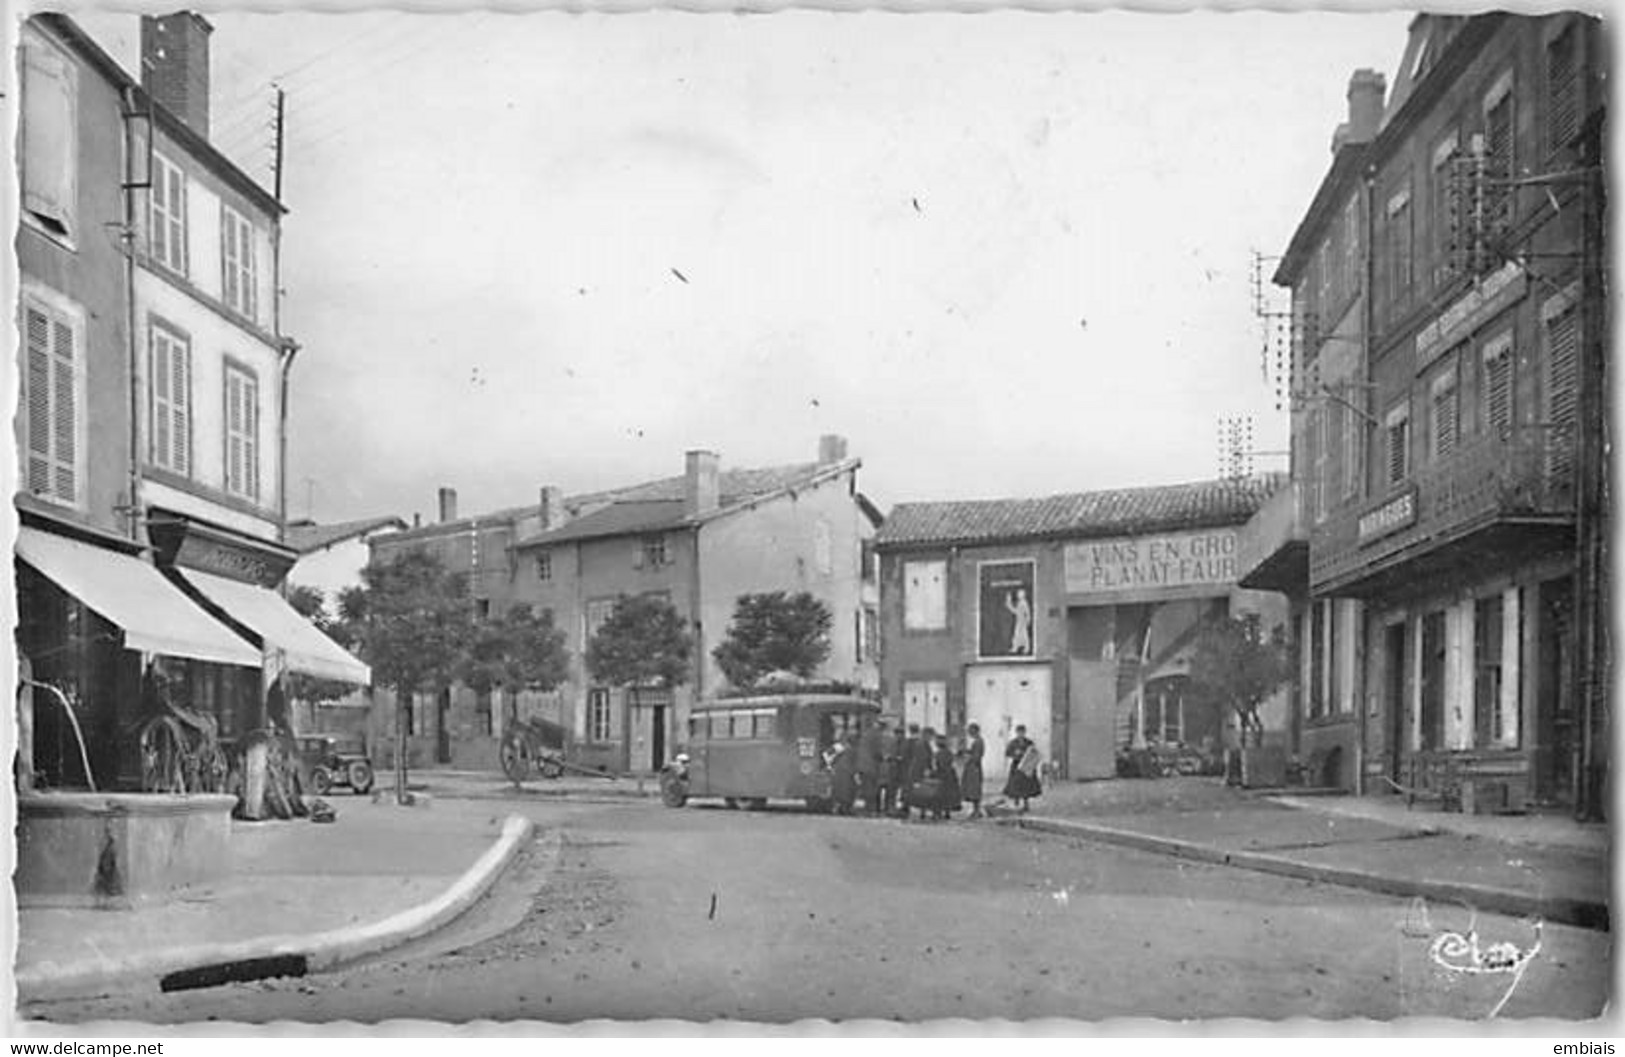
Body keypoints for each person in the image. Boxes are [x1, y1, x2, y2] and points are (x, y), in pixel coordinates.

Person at [1003, 724, 1042, 812]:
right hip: (1016, 766)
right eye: (1019, 732)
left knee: (1026, 786)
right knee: (1015, 786)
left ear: (1024, 732)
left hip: (1026, 766)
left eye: (1022, 732)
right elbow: (1007, 753)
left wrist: (1028, 755)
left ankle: (1026, 804)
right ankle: (1016, 803)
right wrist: (1014, 754)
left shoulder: (1029, 742)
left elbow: (1034, 752)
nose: (1021, 734)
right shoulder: (1013, 743)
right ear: (1016, 733)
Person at [857, 718, 886, 816]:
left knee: (866, 788)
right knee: (871, 788)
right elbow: (877, 752)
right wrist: (884, 758)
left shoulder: (867, 733)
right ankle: (870, 809)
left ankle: (868, 808)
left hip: (863, 765)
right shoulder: (876, 735)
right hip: (871, 766)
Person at [931, 733, 962, 820]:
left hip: (941, 774)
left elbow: (939, 765)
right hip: (950, 774)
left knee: (939, 794)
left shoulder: (938, 753)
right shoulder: (949, 752)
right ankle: (947, 812)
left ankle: (938, 812)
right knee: (948, 794)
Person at [959, 722, 986, 819]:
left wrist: (968, 757)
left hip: (974, 768)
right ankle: (976, 810)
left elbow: (976, 756)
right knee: (973, 790)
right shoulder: (977, 741)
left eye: (970, 730)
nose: (968, 733)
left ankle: (977, 811)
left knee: (975, 790)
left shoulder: (978, 741)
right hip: (973, 767)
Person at [829, 736, 858, 816]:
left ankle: (839, 808)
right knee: (847, 792)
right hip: (847, 773)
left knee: (840, 792)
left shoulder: (839, 749)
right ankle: (845, 808)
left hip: (839, 772)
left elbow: (830, 759)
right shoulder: (852, 751)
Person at [877, 720, 900, 816]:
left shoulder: (878, 738)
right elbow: (895, 752)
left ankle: (877, 807)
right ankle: (888, 808)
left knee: (878, 788)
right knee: (890, 789)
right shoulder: (892, 739)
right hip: (890, 766)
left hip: (879, 765)